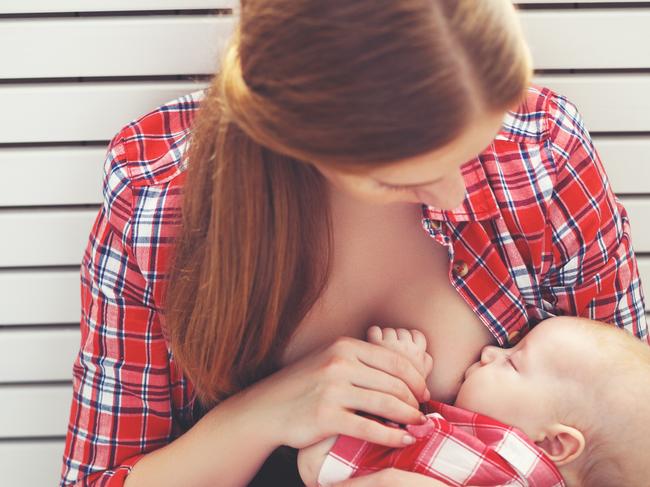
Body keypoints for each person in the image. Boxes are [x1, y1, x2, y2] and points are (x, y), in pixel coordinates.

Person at [59, 1, 647, 486]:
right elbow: (101, 478)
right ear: (296, 136)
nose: (451, 198)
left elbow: (629, 434)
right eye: (402, 177)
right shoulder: (160, 200)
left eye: (473, 149)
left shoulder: (541, 152)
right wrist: (266, 412)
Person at [301, 318, 650, 486]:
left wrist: (395, 381)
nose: (489, 352)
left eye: (512, 362)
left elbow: (320, 456)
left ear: (553, 442)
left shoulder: (501, 472)